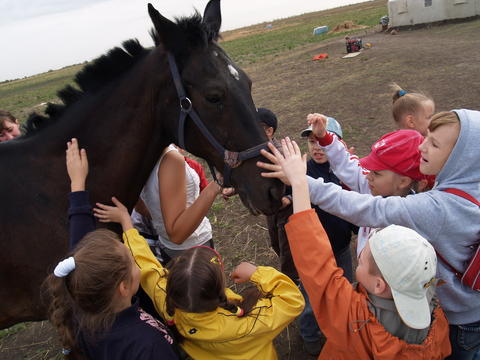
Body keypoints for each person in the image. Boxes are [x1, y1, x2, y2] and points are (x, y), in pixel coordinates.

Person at [262, 110, 480, 359]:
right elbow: (355, 172)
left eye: (433, 143)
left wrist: (301, 183)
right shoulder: (458, 184)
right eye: (425, 136)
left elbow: (362, 211)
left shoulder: (436, 209)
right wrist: (327, 141)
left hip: (459, 318)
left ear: (461, 157)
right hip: (428, 309)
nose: (422, 146)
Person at [93, 194, 305, 359]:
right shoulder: (250, 322)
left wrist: (127, 225)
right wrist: (257, 273)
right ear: (220, 286)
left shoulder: (167, 303)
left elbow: (146, 265)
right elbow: (293, 300)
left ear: (173, 284)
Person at [43, 139, 179, 360]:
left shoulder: (84, 310)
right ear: (123, 287)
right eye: (132, 262)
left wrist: (77, 185)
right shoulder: (149, 346)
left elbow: (80, 247)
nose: (136, 263)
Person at [293, 113, 426, 256]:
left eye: (376, 173)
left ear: (403, 182)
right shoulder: (372, 185)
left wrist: (298, 180)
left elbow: (338, 200)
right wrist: (324, 137)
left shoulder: (404, 223)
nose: (368, 176)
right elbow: (347, 164)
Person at [297, 118, 357, 356]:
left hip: (341, 247)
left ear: (337, 143)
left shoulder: (345, 171)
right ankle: (309, 334)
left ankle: (342, 325)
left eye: (320, 141)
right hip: (316, 254)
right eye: (311, 142)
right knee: (312, 298)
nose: (316, 147)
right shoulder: (305, 171)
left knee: (346, 288)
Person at [140, 144, 222, 263]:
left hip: (168, 248)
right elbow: (177, 235)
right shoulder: (171, 160)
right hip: (194, 252)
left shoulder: (142, 154)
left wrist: (161, 220)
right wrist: (217, 184)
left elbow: (141, 208)